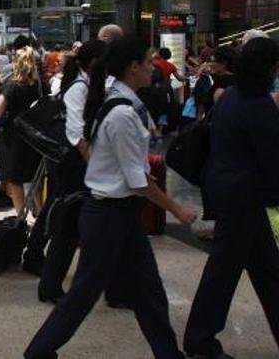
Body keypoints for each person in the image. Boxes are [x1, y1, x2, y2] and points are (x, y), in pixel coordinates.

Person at [25, 36, 198, 359]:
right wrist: (176, 208)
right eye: (147, 62)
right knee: (84, 294)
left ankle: (168, 352)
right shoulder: (121, 114)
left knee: (149, 291)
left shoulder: (120, 104)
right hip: (109, 215)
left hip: (120, 215)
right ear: (133, 68)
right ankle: (38, 351)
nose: (152, 68)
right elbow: (137, 181)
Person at [183, 38, 279, 359]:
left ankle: (200, 338)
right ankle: (199, 340)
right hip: (244, 198)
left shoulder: (230, 97)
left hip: (227, 191)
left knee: (268, 270)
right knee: (224, 273)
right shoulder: (259, 105)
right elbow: (272, 157)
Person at [33, 40, 108, 303]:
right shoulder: (79, 87)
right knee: (68, 227)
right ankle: (51, 285)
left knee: (73, 226)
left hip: (78, 165)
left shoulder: (88, 85)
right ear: (94, 62)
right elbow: (76, 133)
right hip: (74, 166)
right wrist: (95, 165)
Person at [0, 46, 42, 217]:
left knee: (15, 179)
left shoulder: (12, 85)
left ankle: (21, 217)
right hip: (34, 135)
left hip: (14, 136)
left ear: (16, 63)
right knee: (34, 175)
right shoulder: (41, 84)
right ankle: (40, 212)